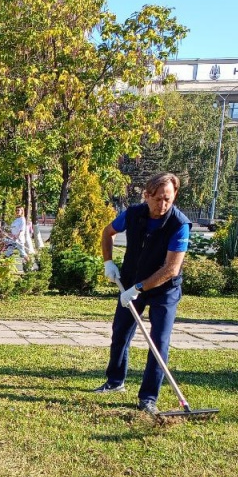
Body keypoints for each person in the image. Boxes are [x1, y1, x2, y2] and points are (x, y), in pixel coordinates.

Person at [96, 172, 190, 414]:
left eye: (168, 199)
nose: (163, 205)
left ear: (175, 195)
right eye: (158, 199)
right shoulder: (133, 214)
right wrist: (109, 262)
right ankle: (115, 381)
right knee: (120, 333)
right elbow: (107, 233)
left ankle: (148, 397)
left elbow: (171, 269)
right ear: (147, 195)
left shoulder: (180, 225)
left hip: (164, 290)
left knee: (159, 342)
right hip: (131, 282)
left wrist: (140, 288)